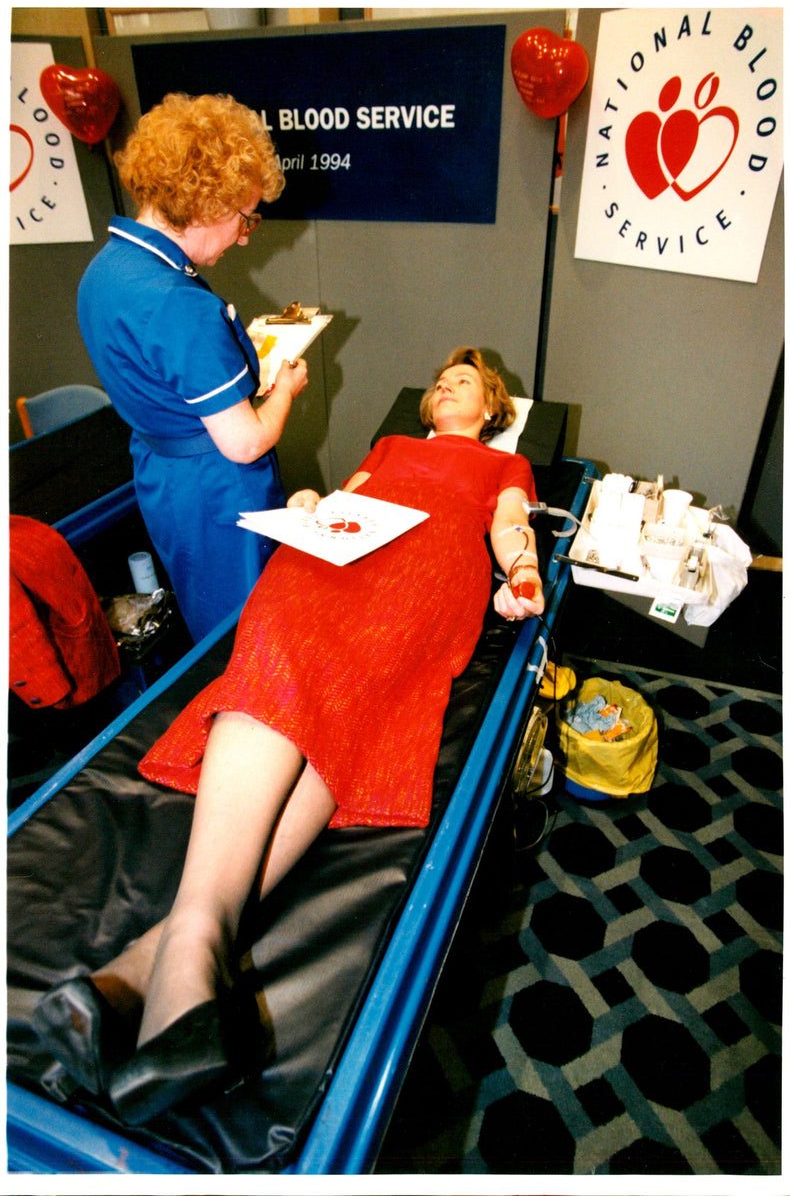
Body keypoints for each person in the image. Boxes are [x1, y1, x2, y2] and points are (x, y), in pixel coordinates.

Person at [32, 347, 545, 1124]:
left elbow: (511, 529)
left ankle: (155, 966)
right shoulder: (391, 446)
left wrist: (522, 574)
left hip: (427, 574)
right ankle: (169, 981)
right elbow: (347, 496)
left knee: (357, 702)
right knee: (274, 639)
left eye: (463, 380)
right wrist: (310, 499)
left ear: (493, 407)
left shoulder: (502, 466)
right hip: (338, 555)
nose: (445, 385)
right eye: (439, 376)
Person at [77, 93, 308, 641]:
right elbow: (245, 443)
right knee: (246, 631)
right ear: (209, 204)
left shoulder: (107, 270)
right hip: (217, 488)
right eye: (245, 217)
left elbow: (160, 370)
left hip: (162, 473)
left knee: (206, 611)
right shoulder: (179, 302)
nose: (246, 235)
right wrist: (286, 389)